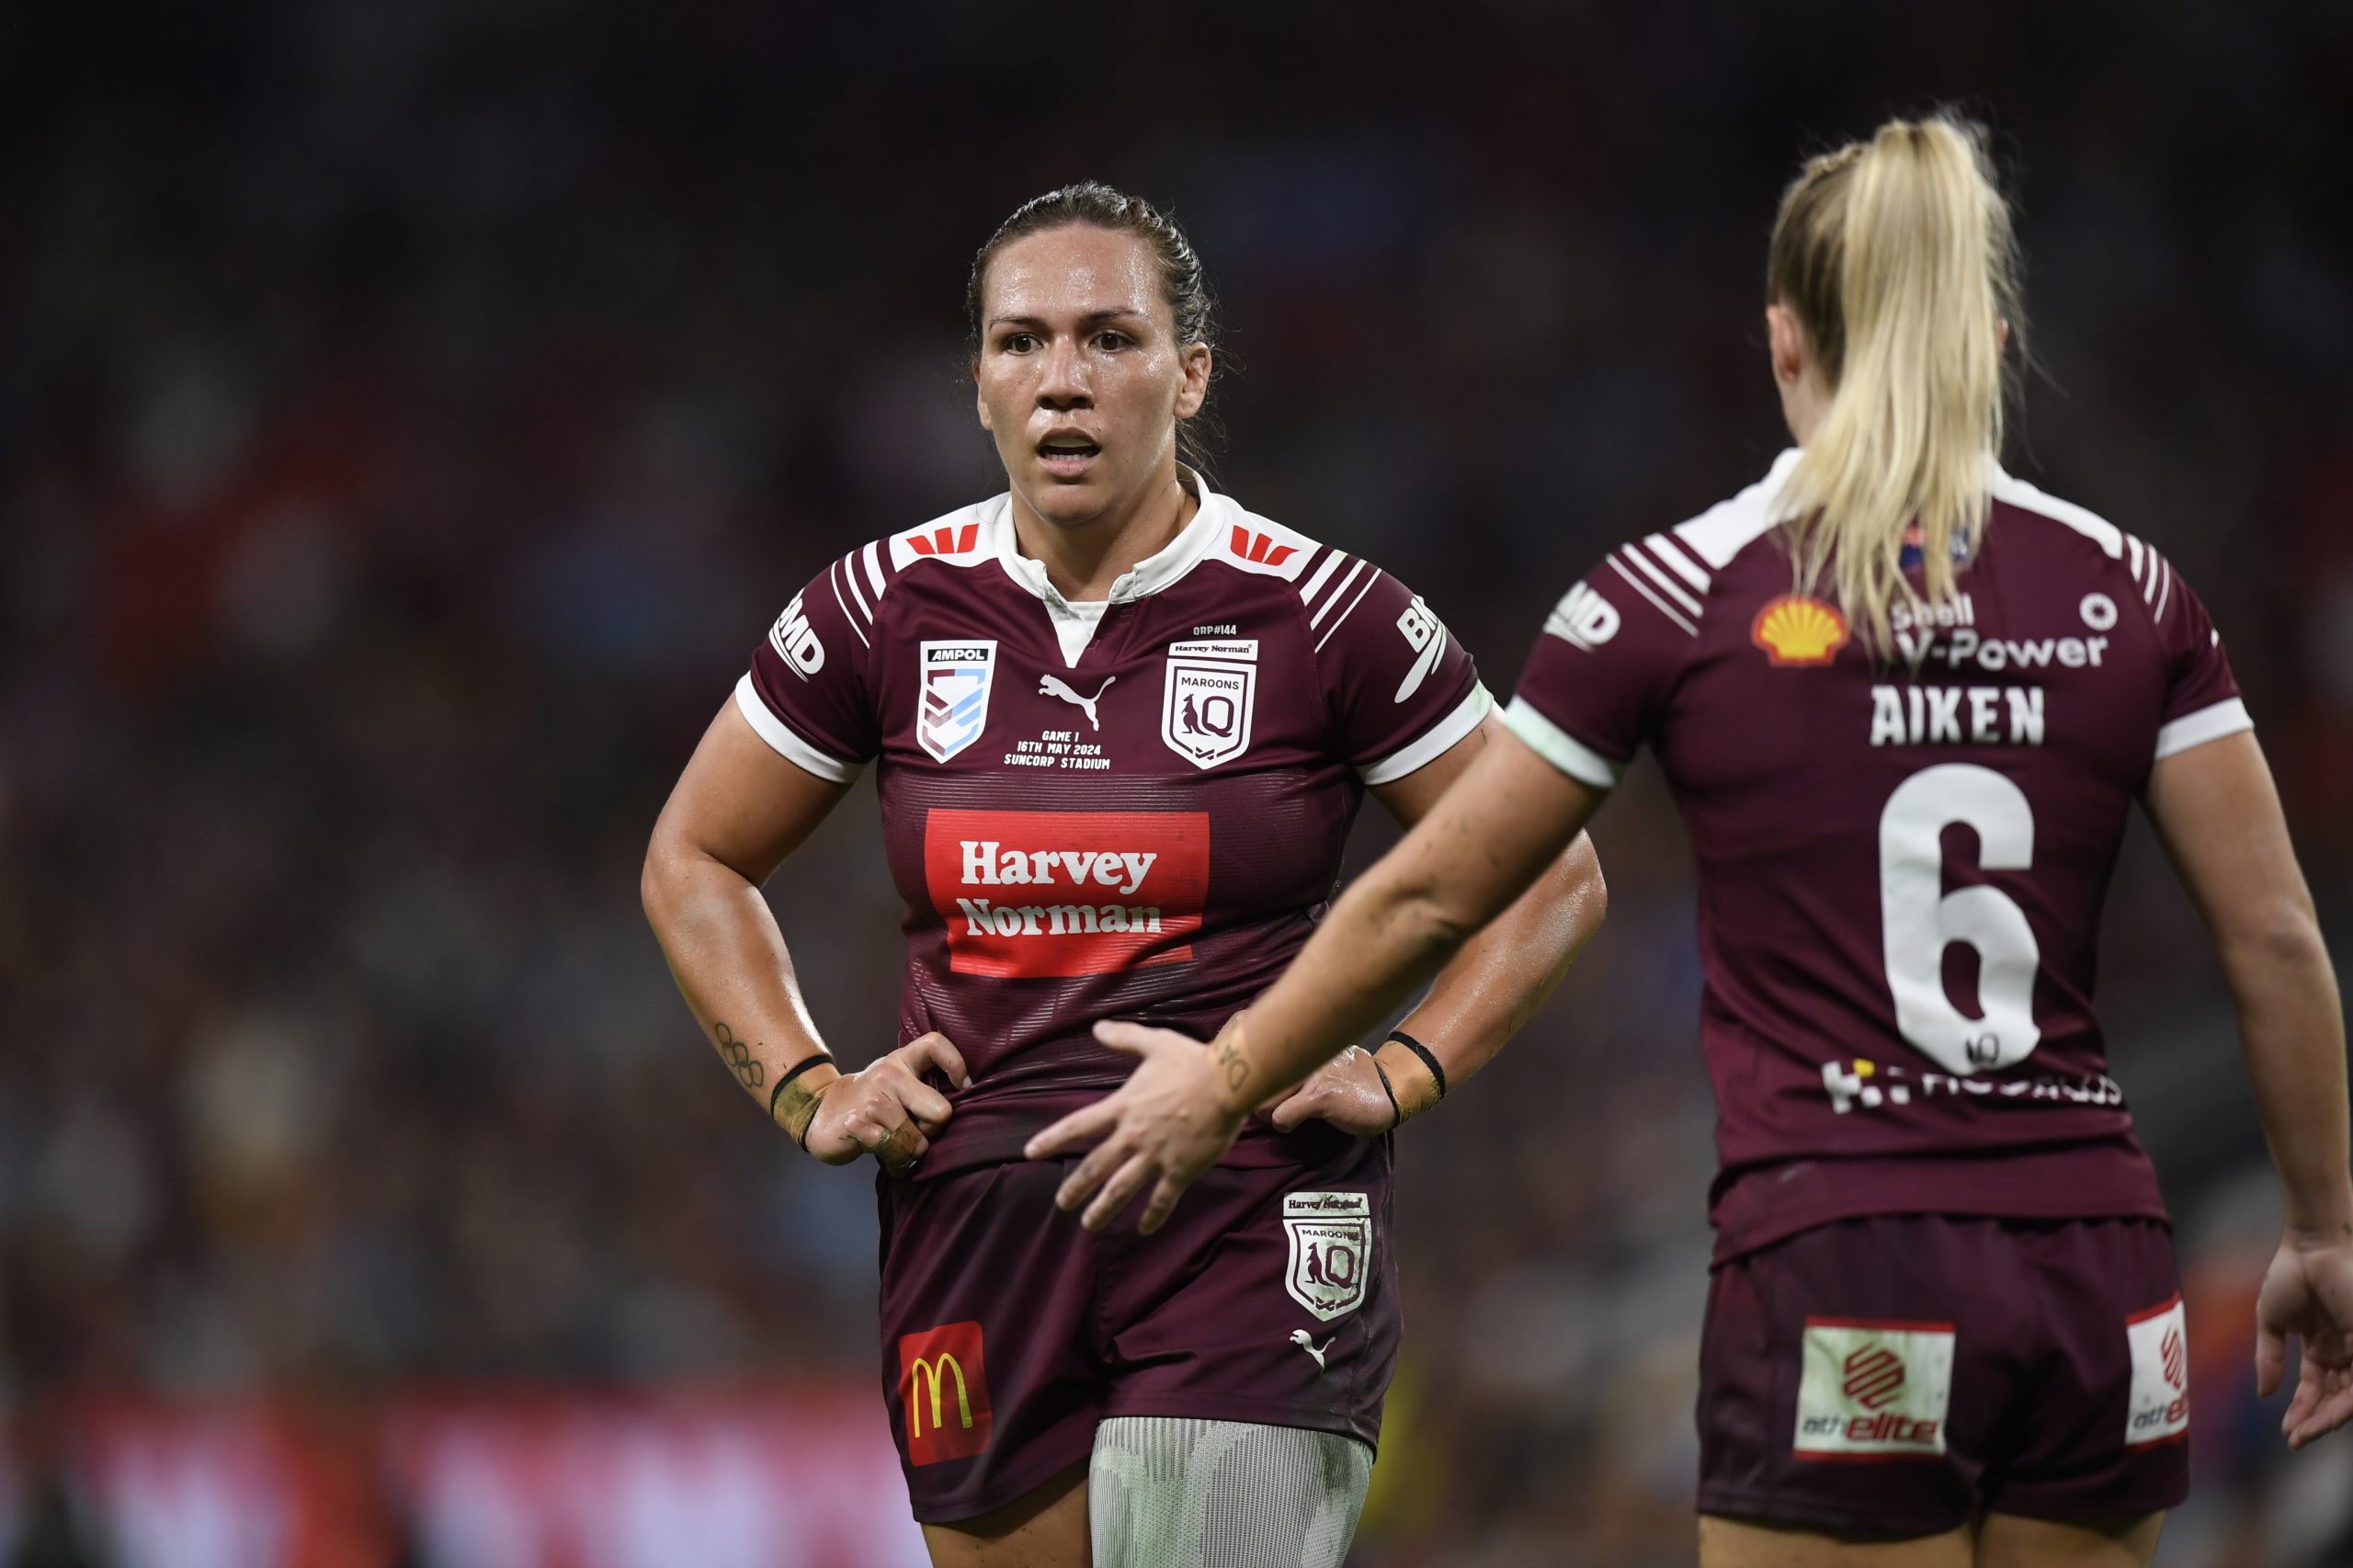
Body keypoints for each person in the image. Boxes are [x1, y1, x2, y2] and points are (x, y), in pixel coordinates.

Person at [1036, 119, 2353, 1568]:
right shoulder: (2132, 591)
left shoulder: (1672, 592)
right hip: (2100, 1267)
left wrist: (1226, 1077)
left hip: (1846, 1248)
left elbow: (1432, 888)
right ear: (1986, 340)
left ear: (1785, 343)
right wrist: (2325, 1229)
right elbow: (2277, 937)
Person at [640, 181, 1607, 1568]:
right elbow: (694, 856)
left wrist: (1405, 1067)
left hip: (1242, 1203)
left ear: (1190, 370)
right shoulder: (882, 605)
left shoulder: (1325, 613)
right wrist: (806, 1082)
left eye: (1111, 338)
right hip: (976, 1212)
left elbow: (1553, 872)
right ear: (976, 384)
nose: (1063, 383)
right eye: (1021, 343)